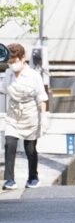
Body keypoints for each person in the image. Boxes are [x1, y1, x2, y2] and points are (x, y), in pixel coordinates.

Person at [0, 43, 48, 190]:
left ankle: (33, 177)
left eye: (14, 62)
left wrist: (44, 117)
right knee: (9, 144)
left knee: (30, 149)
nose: (12, 65)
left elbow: (42, 98)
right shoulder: (8, 74)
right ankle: (9, 180)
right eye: (10, 62)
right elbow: (2, 90)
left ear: (22, 59)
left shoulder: (34, 76)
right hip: (13, 114)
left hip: (30, 114)